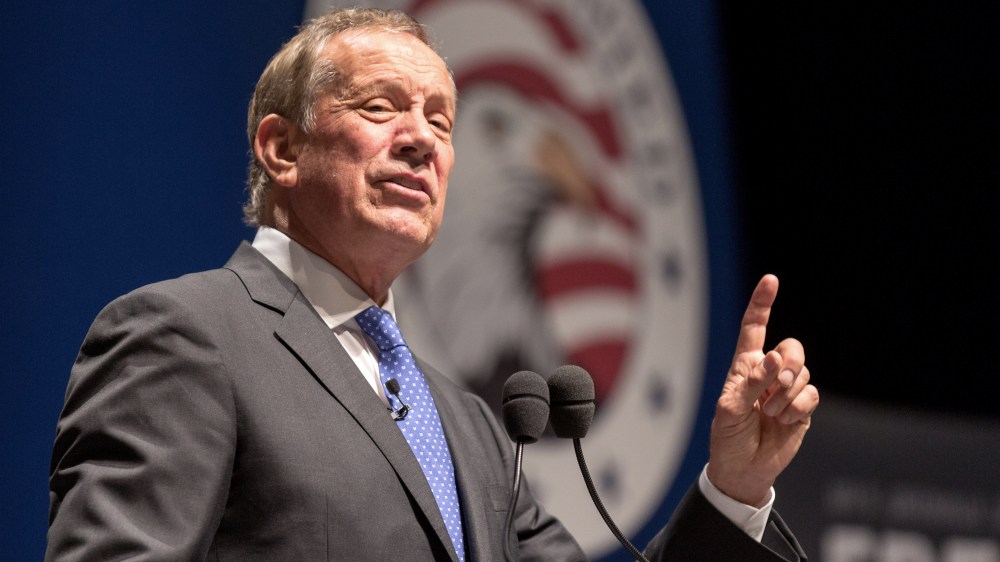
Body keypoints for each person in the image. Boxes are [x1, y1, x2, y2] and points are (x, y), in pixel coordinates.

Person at [46, 8, 819, 561]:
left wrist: (734, 484)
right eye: (380, 107)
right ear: (281, 148)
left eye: (442, 122)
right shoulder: (185, 336)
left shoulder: (471, 427)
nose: (420, 140)